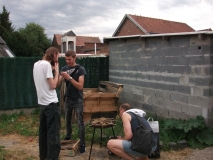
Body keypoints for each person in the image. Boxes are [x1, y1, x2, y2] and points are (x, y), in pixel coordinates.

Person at [33, 47, 61, 160]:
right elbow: (53, 86)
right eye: (57, 56)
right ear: (54, 54)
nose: (57, 58)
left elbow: (45, 82)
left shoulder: (37, 64)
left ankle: (43, 157)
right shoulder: (47, 66)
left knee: (43, 133)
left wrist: (52, 71)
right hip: (51, 104)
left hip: (42, 104)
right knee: (53, 134)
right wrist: (57, 71)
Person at [57, 50, 87, 153]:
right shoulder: (64, 68)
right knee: (67, 120)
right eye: (66, 59)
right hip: (68, 99)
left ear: (75, 58)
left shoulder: (81, 69)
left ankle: (83, 143)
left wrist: (69, 78)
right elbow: (57, 83)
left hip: (78, 99)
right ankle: (68, 137)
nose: (67, 61)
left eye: (69, 59)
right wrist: (56, 72)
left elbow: (80, 86)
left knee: (80, 122)